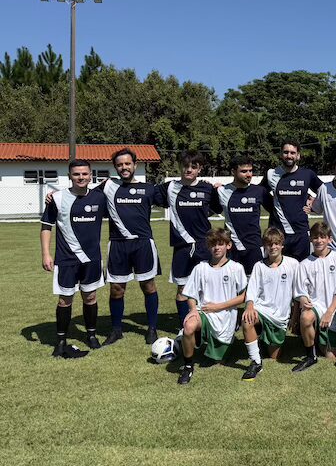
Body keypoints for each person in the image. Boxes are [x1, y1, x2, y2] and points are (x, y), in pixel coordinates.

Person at [40, 159, 107, 357]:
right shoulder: (57, 198)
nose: (81, 177)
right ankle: (61, 340)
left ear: (91, 176)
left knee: (90, 297)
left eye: (85, 174)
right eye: (76, 174)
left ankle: (91, 335)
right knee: (64, 300)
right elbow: (46, 226)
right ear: (69, 176)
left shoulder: (100, 197)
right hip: (66, 259)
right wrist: (46, 253)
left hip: (91, 259)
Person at [102, 148, 162, 345]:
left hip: (143, 243)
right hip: (118, 244)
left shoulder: (149, 188)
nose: (124, 167)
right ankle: (116, 329)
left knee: (148, 285)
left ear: (135, 165)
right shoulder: (108, 185)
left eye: (127, 163)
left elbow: (177, 196)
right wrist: (55, 194)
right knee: (116, 289)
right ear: (115, 167)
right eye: (119, 165)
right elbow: (83, 193)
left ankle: (152, 328)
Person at [153, 150, 219, 328]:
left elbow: (217, 208)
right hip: (181, 246)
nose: (189, 169)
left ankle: (209, 323)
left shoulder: (207, 189)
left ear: (200, 169)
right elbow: (147, 195)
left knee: (208, 287)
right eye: (185, 166)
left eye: (193, 166)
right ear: (180, 167)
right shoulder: (169, 187)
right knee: (182, 288)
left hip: (204, 246)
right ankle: (185, 325)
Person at [176, 229, 248, 384]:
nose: (216, 248)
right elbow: (190, 294)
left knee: (219, 360)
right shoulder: (200, 268)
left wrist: (219, 307)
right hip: (204, 313)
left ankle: (221, 343)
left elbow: (244, 296)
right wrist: (193, 310)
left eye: (220, 244)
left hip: (226, 317)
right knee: (188, 326)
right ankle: (188, 366)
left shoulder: (236, 268)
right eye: (213, 244)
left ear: (228, 246)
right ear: (208, 247)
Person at [240, 227, 301, 380]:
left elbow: (297, 295)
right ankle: (256, 362)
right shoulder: (259, 266)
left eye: (276, 243)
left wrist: (294, 318)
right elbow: (251, 291)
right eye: (269, 244)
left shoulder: (293, 264)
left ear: (282, 245)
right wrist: (249, 306)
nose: (273, 247)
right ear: (264, 246)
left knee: (274, 356)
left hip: (280, 317)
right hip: (262, 310)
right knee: (247, 320)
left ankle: (261, 338)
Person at [292, 222, 336, 372]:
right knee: (305, 317)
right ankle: (311, 356)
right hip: (316, 306)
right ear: (311, 239)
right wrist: (304, 300)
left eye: (322, 237)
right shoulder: (304, 264)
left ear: (329, 239)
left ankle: (319, 338)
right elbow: (300, 292)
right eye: (315, 237)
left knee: (330, 355)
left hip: (333, 310)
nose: (319, 241)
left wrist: (329, 312)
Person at [260, 140, 323, 261]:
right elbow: (258, 193)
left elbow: (324, 192)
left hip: (300, 234)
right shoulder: (271, 174)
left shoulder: (307, 174)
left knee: (301, 270)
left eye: (292, 153)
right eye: (286, 152)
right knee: (276, 268)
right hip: (277, 235)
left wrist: (314, 205)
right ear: (281, 154)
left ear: (298, 155)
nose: (289, 155)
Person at [215, 155, 272, 276]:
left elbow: (275, 210)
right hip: (231, 247)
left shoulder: (259, 191)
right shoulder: (222, 191)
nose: (249, 174)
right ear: (233, 171)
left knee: (254, 283)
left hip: (254, 247)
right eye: (244, 171)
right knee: (231, 283)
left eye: (250, 171)